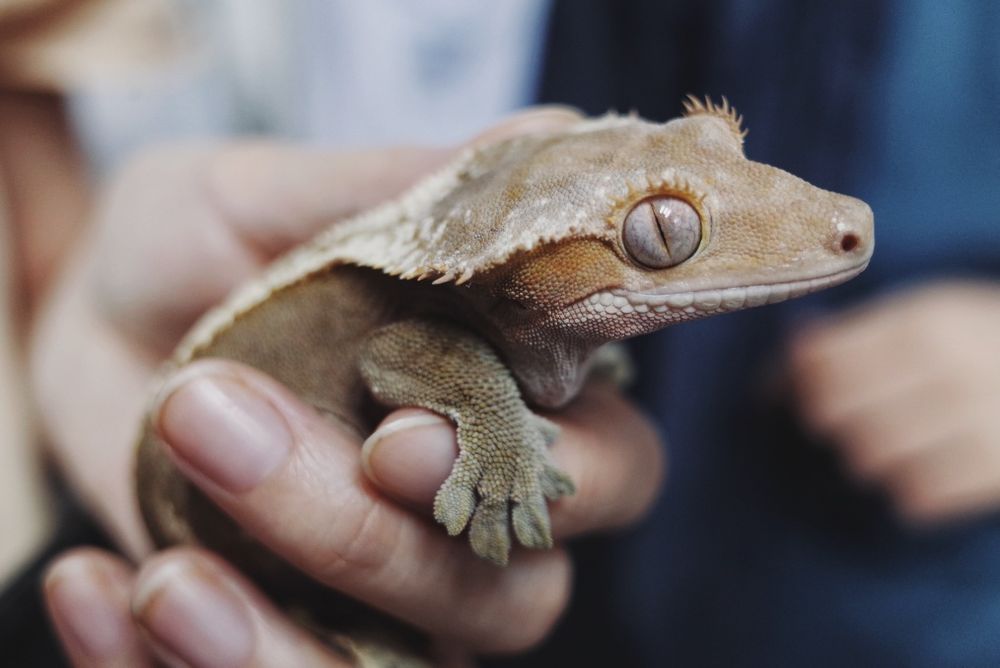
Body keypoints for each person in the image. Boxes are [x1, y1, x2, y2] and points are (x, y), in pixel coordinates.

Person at [20, 1, 1000, 666]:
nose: (841, 222)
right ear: (527, 276)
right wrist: (55, 303)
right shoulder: (446, 300)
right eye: (667, 235)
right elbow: (396, 351)